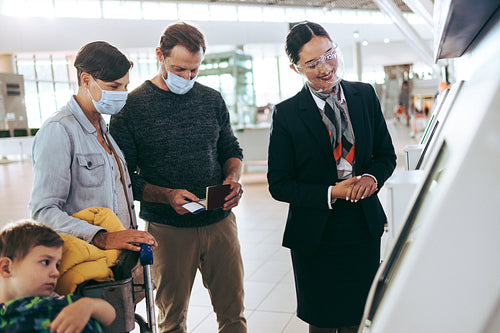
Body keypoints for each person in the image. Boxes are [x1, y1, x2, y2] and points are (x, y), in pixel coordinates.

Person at [109, 22, 246, 333]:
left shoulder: (211, 99)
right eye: (179, 69)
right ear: (160, 55)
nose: (187, 77)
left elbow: (230, 148)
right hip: (167, 231)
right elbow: (123, 178)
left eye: (194, 71)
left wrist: (233, 178)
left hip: (219, 222)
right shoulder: (131, 107)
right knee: (171, 321)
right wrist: (166, 195)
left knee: (233, 316)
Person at [267, 22, 396, 333]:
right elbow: (279, 183)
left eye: (329, 55)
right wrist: (331, 192)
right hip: (315, 234)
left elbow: (386, 156)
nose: (325, 68)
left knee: (358, 316)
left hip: (362, 227)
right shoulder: (286, 114)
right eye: (312, 64)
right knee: (323, 321)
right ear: (295, 67)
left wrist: (370, 179)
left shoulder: (364, 95)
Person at [29, 41, 156, 252]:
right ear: (86, 80)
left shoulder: (104, 129)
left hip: (120, 259)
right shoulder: (59, 130)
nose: (122, 93)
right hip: (89, 260)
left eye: (125, 86)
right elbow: (43, 211)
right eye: (114, 87)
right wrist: (100, 237)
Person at [0, 220, 115, 332]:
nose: (55, 273)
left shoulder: (60, 301)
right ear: (6, 268)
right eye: (45, 262)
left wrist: (88, 306)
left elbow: (110, 314)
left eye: (57, 265)